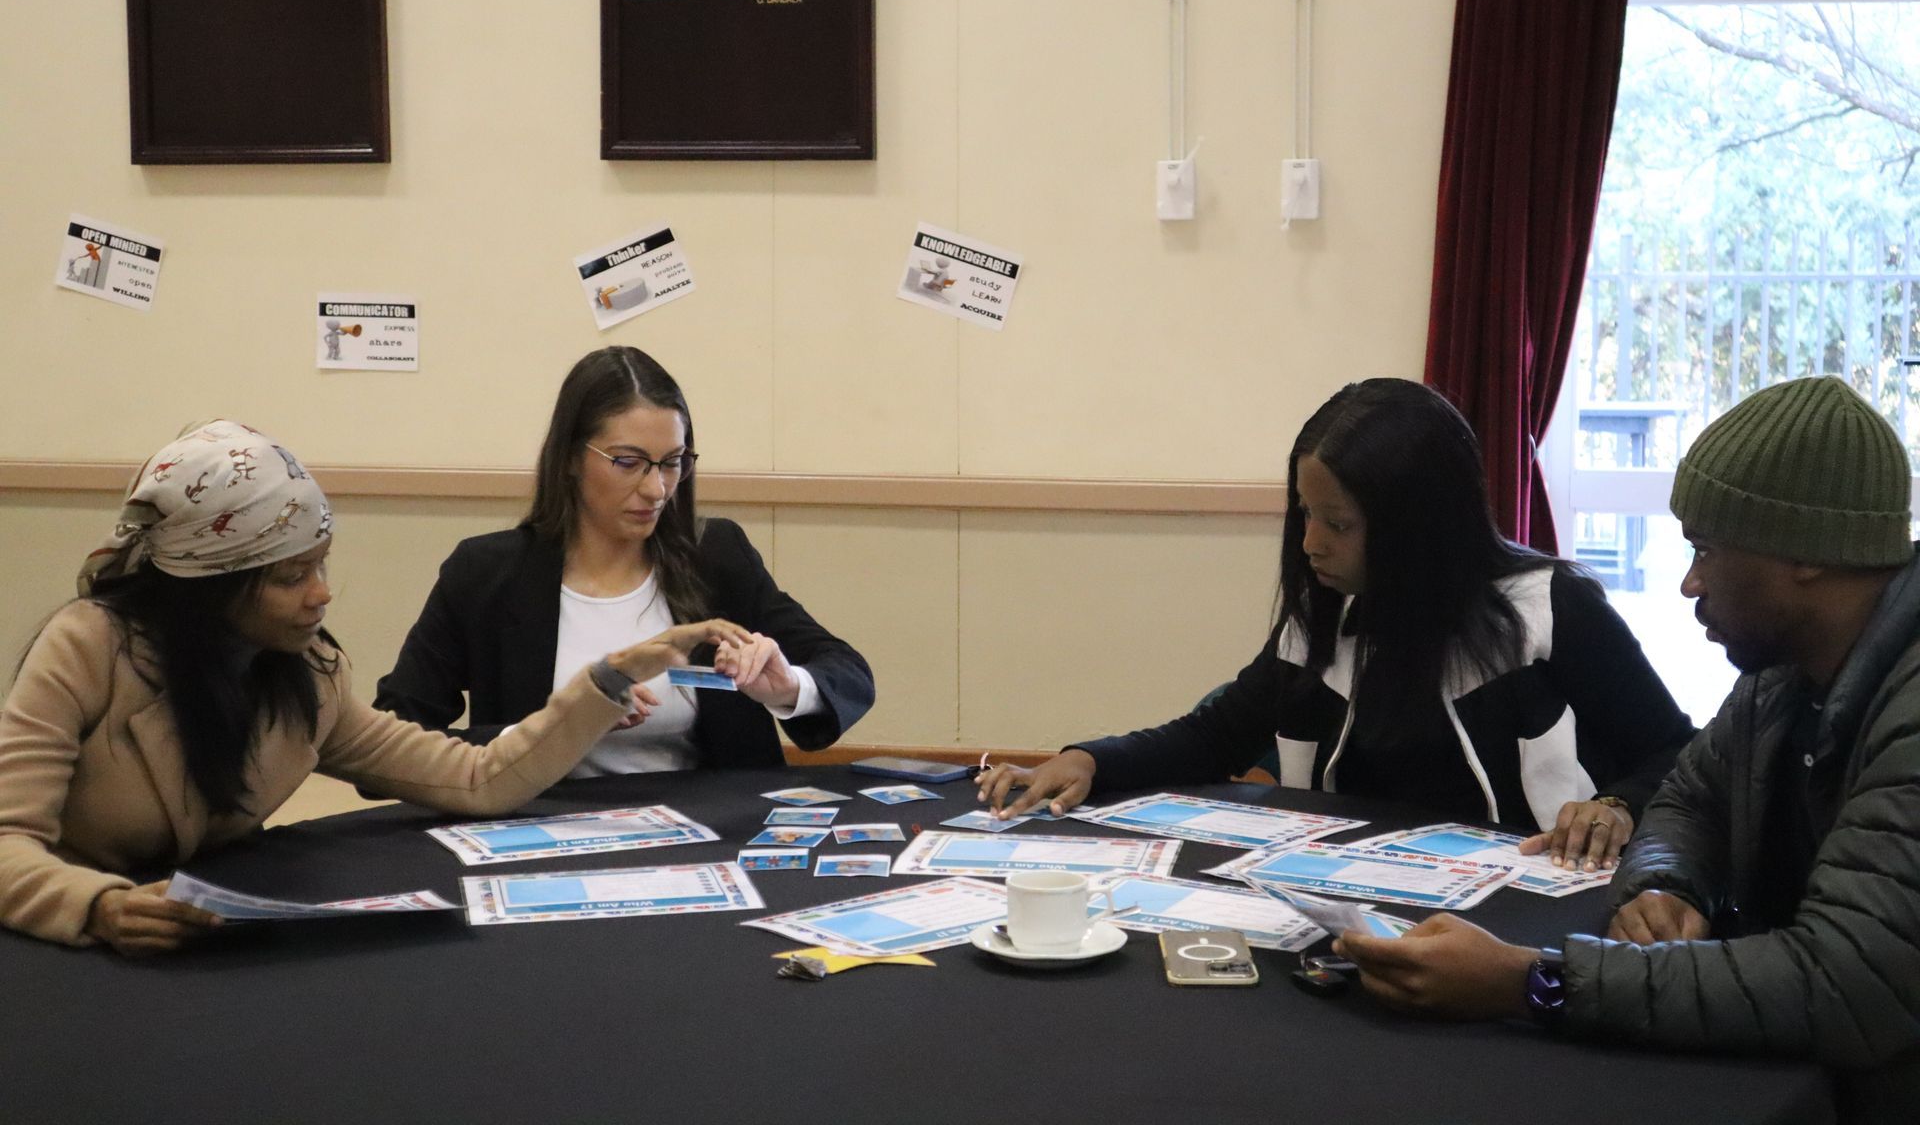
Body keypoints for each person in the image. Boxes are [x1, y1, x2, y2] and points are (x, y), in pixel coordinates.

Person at [1333, 376, 1920, 1120]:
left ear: (1802, 552)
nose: (1689, 582)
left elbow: (1846, 987)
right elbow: (1688, 798)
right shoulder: (1784, 675)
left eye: (1706, 549)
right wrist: (1667, 885)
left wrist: (1531, 982)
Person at [0, 420, 749, 954]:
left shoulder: (309, 676)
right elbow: (6, 844)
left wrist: (609, 680)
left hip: (205, 946)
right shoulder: (88, 646)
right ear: (209, 588)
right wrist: (96, 907)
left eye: (322, 565)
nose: (322, 596)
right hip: (60, 951)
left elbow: (478, 778)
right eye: (293, 577)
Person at [978, 378, 1695, 867]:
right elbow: (1216, 734)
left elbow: (1674, 752)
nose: (1311, 543)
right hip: (1349, 896)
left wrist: (1615, 805)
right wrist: (1089, 760)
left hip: (1512, 910)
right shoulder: (1330, 610)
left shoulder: (1549, 609)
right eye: (1305, 515)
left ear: (1419, 526)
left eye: (1339, 523)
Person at [375, 347, 874, 773]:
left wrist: (787, 687)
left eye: (673, 462)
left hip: (706, 833)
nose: (656, 489)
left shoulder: (716, 556)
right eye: (628, 463)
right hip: (539, 830)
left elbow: (847, 673)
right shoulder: (486, 573)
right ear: (571, 457)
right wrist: (552, 728)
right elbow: (391, 743)